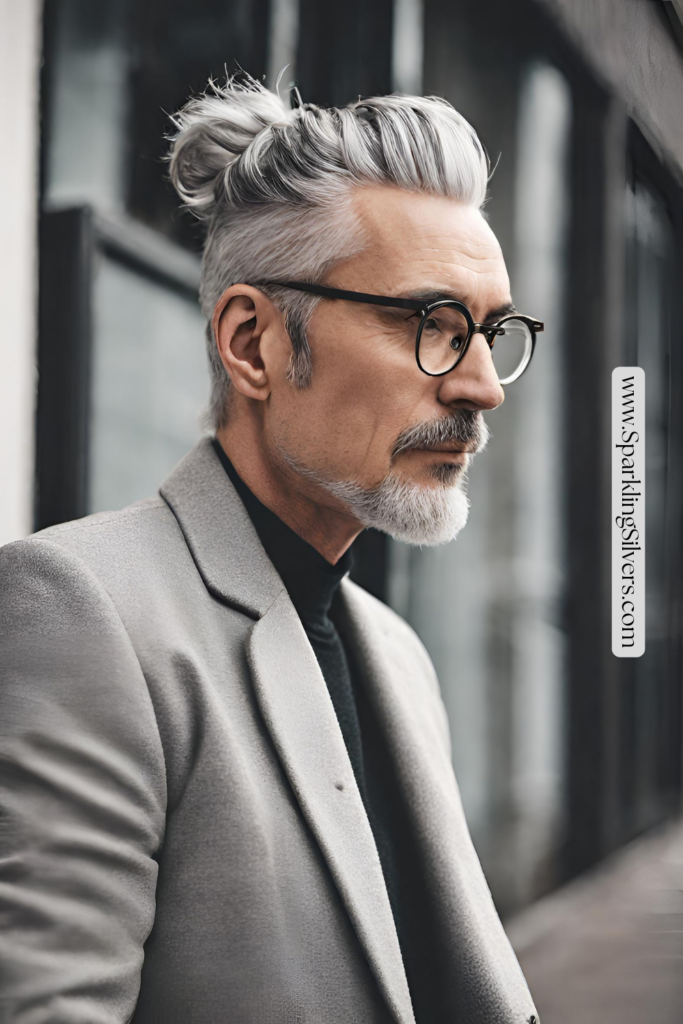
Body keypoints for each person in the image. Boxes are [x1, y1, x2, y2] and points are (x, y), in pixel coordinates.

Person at [0, 76, 543, 1023]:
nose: (482, 387)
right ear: (252, 343)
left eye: (491, 333)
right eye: (430, 325)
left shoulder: (397, 652)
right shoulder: (81, 611)